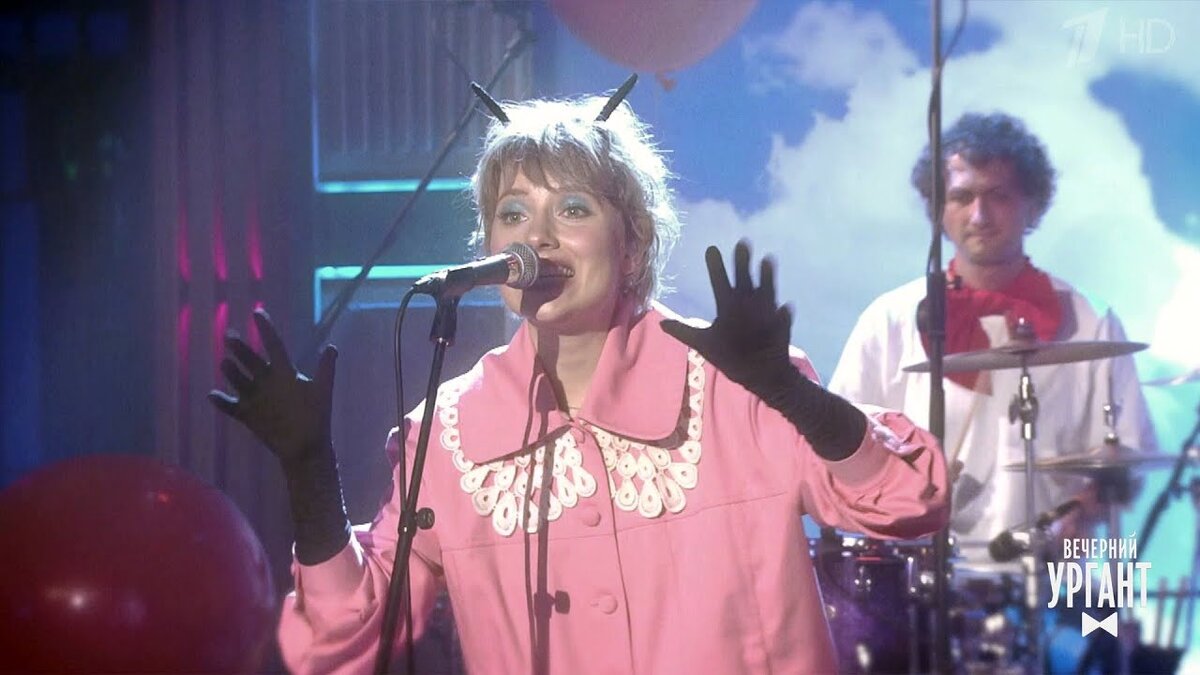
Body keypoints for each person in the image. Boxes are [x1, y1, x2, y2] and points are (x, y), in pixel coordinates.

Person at [211, 88, 950, 674]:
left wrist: (795, 397)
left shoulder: (731, 387)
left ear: (631, 246)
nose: (535, 237)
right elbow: (345, 642)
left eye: (572, 209)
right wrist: (310, 473)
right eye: (512, 213)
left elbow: (909, 500)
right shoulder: (450, 432)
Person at [829, 112, 1158, 568]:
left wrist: (1080, 513)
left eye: (998, 196)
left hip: (1052, 581)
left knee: (1099, 610)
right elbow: (840, 452)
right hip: (921, 583)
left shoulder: (1092, 320)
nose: (979, 216)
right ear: (937, 209)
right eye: (961, 197)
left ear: (1033, 205)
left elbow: (1129, 458)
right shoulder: (889, 320)